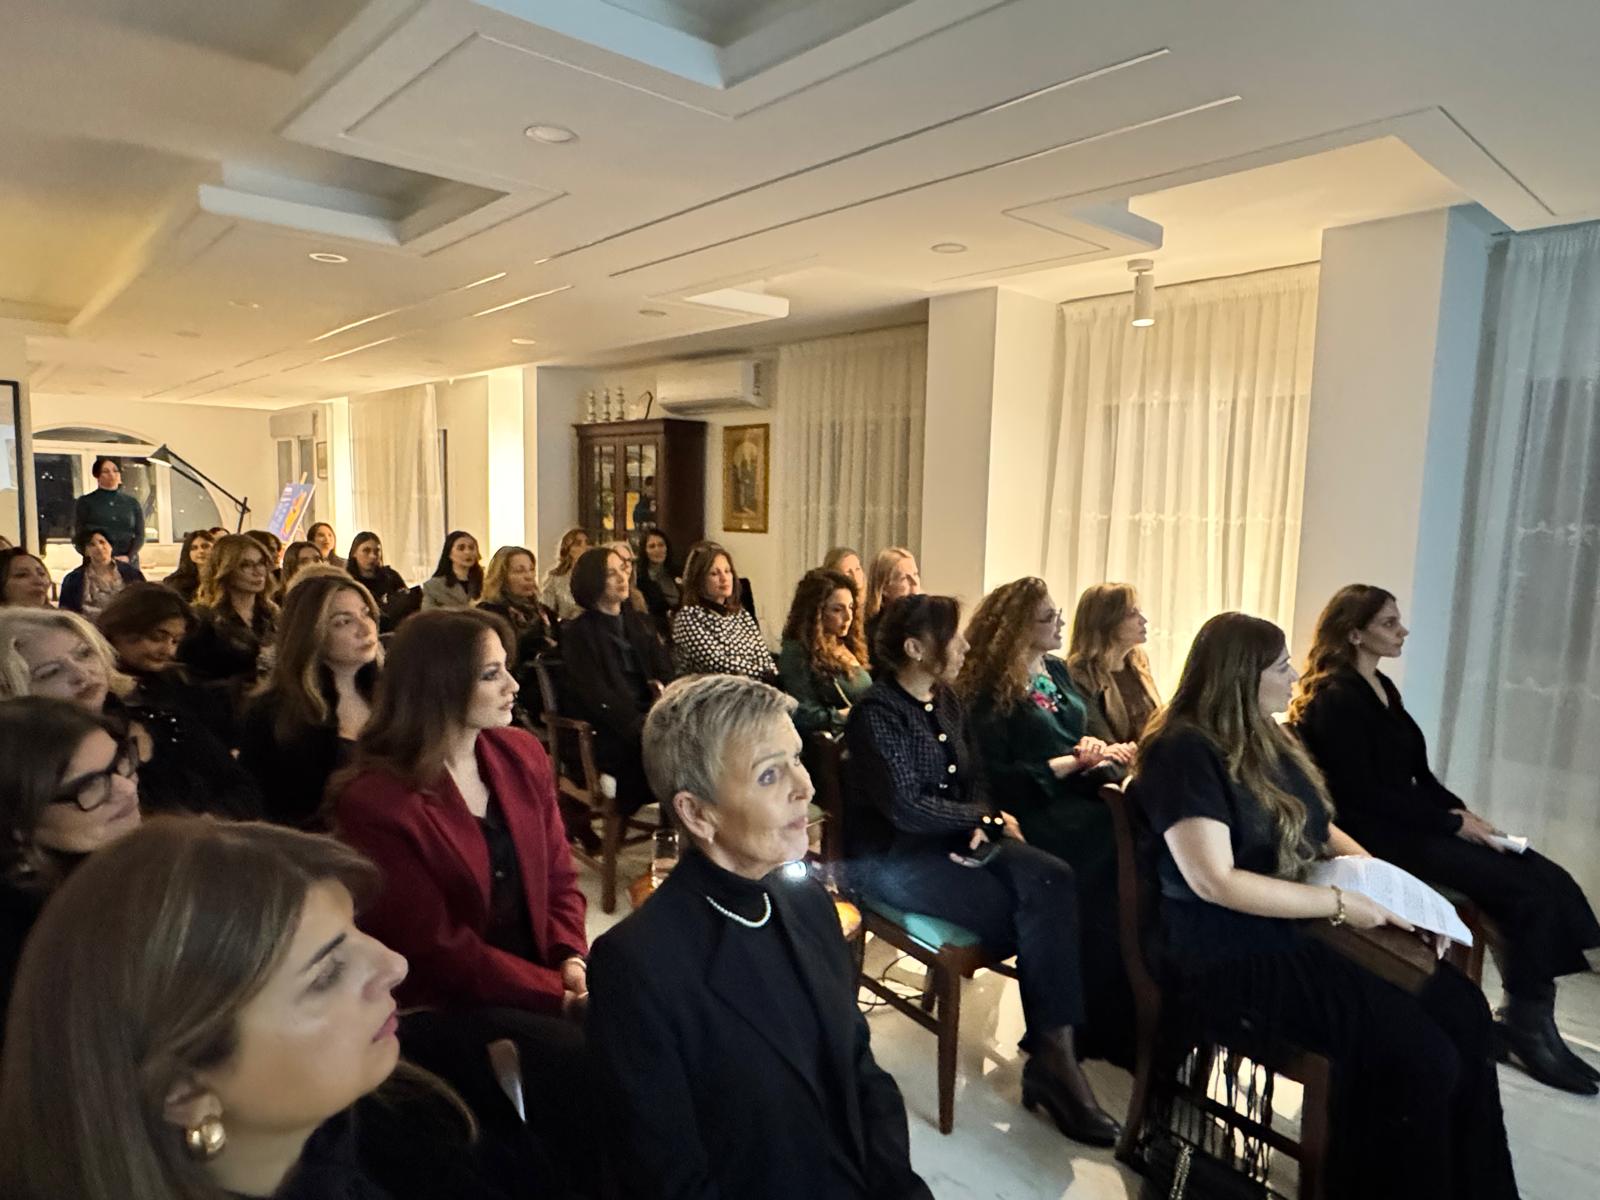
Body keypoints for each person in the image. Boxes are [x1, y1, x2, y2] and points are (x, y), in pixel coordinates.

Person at [1134, 612, 1519, 1200]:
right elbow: (1214, 881)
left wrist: (1392, 896)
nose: (1294, 677)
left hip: (1297, 925)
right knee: (1421, 1055)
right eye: (1281, 667)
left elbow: (1323, 829)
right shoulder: (1182, 751)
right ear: (1241, 676)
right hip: (1226, 952)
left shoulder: (1269, 738)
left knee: (1464, 1010)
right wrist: (1341, 904)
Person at [0, 818, 542, 1200]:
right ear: (183, 1093)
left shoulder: (408, 1107)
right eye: (325, 973)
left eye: (355, 929)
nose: (395, 964)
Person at [588, 674, 934, 1200]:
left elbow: (862, 1072)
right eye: (770, 775)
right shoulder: (638, 967)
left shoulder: (809, 903)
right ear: (697, 813)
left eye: (796, 758)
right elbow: (670, 1180)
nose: (806, 787)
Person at [1291, 584, 1600, 1094]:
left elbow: (1419, 776)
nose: (1403, 631)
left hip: (1412, 822)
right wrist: (1452, 825)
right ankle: (1526, 1027)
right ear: (1354, 634)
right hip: (1377, 835)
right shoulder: (1334, 698)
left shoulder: (1382, 688)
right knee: (1522, 891)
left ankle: (1528, 1017)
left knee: (1542, 873)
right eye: (1389, 623)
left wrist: (1464, 814)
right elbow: (1361, 796)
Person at [843, 594, 1121, 1145]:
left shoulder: (945, 699)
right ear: (915, 648)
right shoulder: (877, 713)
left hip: (953, 842)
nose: (966, 644)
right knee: (1031, 916)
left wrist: (983, 820)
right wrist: (980, 817)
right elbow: (905, 807)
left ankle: (1054, 1053)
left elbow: (978, 777)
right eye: (954, 636)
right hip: (895, 860)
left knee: (1054, 877)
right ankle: (1055, 1064)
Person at [333, 609, 589, 1017]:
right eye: (491, 674)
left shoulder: (521, 753)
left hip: (539, 974)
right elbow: (433, 947)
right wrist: (553, 994)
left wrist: (570, 958)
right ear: (440, 686)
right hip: (449, 1002)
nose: (513, 685)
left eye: (506, 668)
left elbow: (559, 878)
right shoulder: (374, 801)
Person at [958, 576, 1136, 1065]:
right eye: (1047, 617)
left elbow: (1085, 736)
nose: (1060, 623)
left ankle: (1114, 1011)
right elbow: (997, 777)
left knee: (1130, 837)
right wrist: (1070, 762)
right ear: (1016, 628)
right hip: (1029, 810)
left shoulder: (1056, 671)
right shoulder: (988, 689)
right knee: (1112, 846)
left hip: (1073, 795)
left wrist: (1096, 750)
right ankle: (1071, 1026)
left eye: (1057, 613)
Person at [0, 607, 260, 820]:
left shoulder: (165, 722)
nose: (81, 673)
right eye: (50, 672)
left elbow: (243, 789)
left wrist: (208, 824)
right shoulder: (23, 775)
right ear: (10, 690)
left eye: (84, 653)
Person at [0, 697, 141, 1057]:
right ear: (18, 823)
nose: (126, 788)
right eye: (90, 785)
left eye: (121, 761)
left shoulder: (120, 865)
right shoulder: (30, 937)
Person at [240, 569, 382, 830]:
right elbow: (261, 809)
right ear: (311, 633)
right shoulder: (273, 712)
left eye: (365, 614)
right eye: (343, 622)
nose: (365, 629)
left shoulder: (390, 696)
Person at [556, 547, 673, 819]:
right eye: (611, 573)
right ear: (593, 581)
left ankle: (682, 831)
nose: (622, 577)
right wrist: (643, 725)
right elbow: (596, 696)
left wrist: (663, 705)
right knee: (675, 756)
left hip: (650, 719)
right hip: (611, 731)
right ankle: (673, 830)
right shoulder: (578, 633)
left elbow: (665, 671)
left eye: (623, 569)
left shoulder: (640, 623)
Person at [95, 582, 234, 744]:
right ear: (120, 629)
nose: (169, 651)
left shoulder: (182, 682)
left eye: (175, 641)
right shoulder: (95, 688)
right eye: (157, 637)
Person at [777, 568, 871, 736]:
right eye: (837, 610)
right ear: (816, 613)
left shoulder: (848, 643)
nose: (848, 616)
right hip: (837, 740)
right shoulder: (797, 652)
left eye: (851, 607)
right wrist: (844, 715)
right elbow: (801, 713)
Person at [181, 532, 277, 694]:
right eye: (245, 565)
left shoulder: (272, 614)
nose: (258, 571)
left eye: (261, 563)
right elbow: (191, 678)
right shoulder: (203, 618)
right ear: (225, 569)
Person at [1066, 582, 1162, 743]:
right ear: (1107, 621)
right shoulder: (1081, 673)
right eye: (1132, 614)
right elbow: (1099, 735)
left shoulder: (1138, 663)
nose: (1143, 620)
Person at [669, 541, 775, 681]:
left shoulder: (741, 614)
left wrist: (773, 675)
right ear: (699, 580)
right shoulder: (688, 617)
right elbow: (718, 664)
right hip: (708, 690)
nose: (724, 579)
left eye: (727, 571)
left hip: (750, 687)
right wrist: (764, 675)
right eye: (714, 574)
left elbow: (764, 657)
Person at [476, 545, 557, 701]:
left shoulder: (544, 612)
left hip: (549, 687)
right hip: (512, 689)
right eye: (519, 571)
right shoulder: (490, 613)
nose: (529, 576)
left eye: (531, 570)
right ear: (502, 577)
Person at [72, 455, 145, 570]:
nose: (112, 475)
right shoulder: (86, 502)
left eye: (115, 471)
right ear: (97, 475)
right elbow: (78, 535)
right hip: (97, 563)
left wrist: (129, 556)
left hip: (127, 562)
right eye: (106, 471)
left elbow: (140, 534)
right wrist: (94, 554)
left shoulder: (132, 502)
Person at [58, 529, 144, 619]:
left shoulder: (132, 574)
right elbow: (66, 613)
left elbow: (144, 603)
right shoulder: (73, 579)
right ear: (85, 551)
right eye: (92, 545)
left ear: (111, 546)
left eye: (102, 542)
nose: (99, 547)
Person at [861, 547, 921, 667]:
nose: (915, 582)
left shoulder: (925, 621)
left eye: (915, 574)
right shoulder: (875, 632)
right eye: (904, 578)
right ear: (884, 588)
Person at [346, 530, 410, 612]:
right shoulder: (347, 581)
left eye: (377, 551)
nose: (373, 556)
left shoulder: (391, 576)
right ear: (354, 553)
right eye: (366, 551)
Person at [634, 528, 680, 635]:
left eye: (661, 545)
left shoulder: (677, 572)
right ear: (644, 551)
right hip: (654, 631)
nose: (657, 550)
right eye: (652, 546)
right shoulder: (639, 579)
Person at [423, 530, 483, 609]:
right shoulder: (434, 586)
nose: (467, 552)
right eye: (461, 548)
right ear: (449, 554)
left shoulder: (486, 583)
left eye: (471, 548)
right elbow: (427, 613)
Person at [540, 528, 590, 623]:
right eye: (578, 544)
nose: (585, 547)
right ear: (569, 550)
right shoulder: (555, 577)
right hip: (567, 626)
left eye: (587, 543)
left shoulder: (598, 575)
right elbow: (547, 610)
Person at [161, 528, 214, 602]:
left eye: (205, 546)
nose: (201, 551)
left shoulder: (222, 578)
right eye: (194, 548)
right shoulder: (177, 582)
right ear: (187, 553)